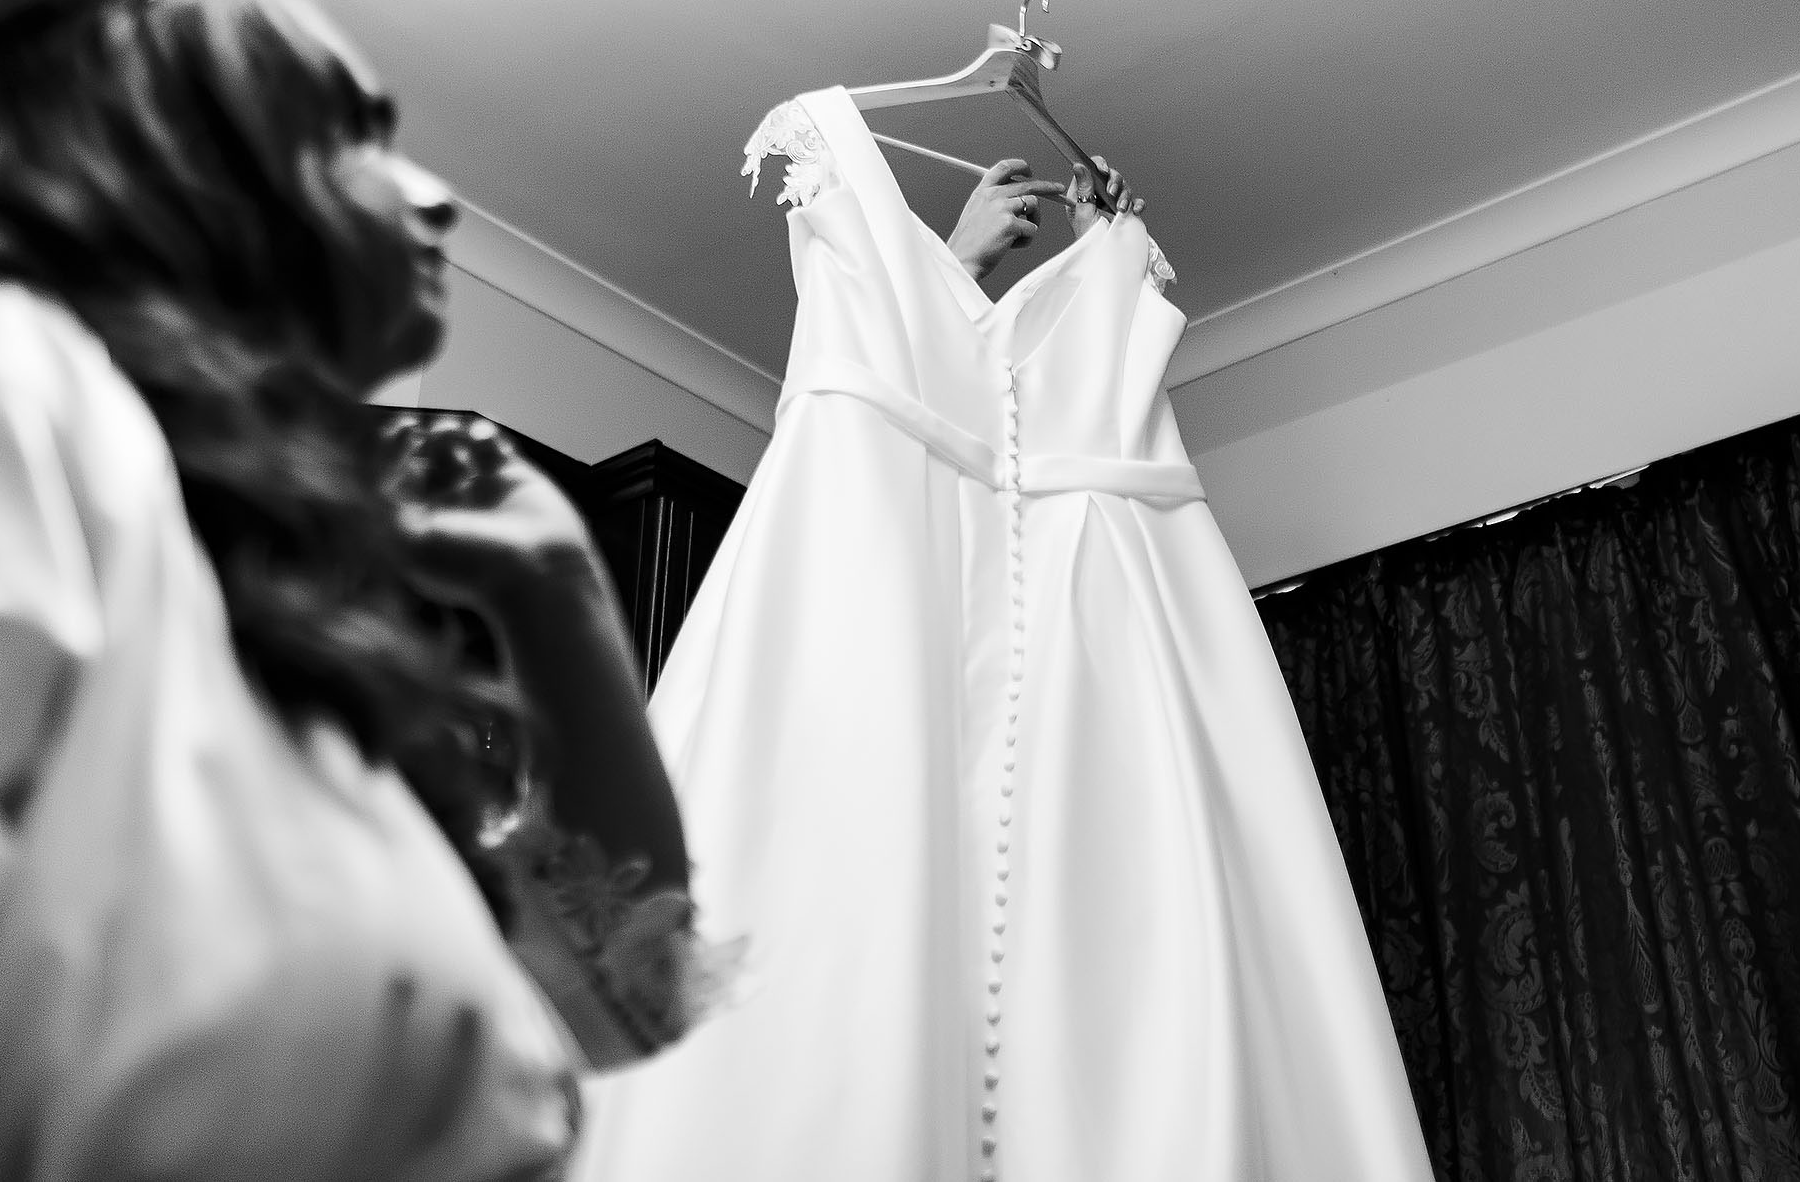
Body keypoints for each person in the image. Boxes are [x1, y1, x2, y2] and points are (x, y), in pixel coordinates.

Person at [576, 84, 1435, 1181]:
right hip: (868, 643)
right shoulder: (848, 217)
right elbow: (937, 355)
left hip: (1097, 666)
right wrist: (947, 266)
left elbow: (968, 368)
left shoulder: (1094, 308)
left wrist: (1025, 265)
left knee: (1107, 962)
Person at [0, 0, 721, 1181]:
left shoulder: (279, 639)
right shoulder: (27, 388)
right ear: (181, 179)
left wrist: (557, 600)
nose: (435, 197)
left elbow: (623, 1004)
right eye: (351, 136)